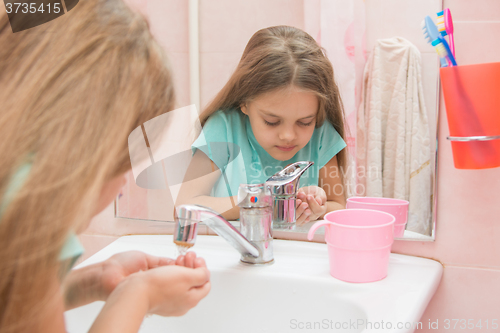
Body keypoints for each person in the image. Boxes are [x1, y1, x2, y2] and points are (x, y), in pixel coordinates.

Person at [0, 1, 210, 332]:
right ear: (91, 150)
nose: (124, 183)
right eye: (123, 163)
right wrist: (139, 296)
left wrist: (92, 280)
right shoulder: (27, 214)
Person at [176, 26, 348, 225]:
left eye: (304, 122)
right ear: (244, 102)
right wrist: (258, 201)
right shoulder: (222, 128)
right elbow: (184, 206)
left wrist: (317, 207)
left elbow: (338, 205)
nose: (288, 135)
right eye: (271, 121)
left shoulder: (321, 133)